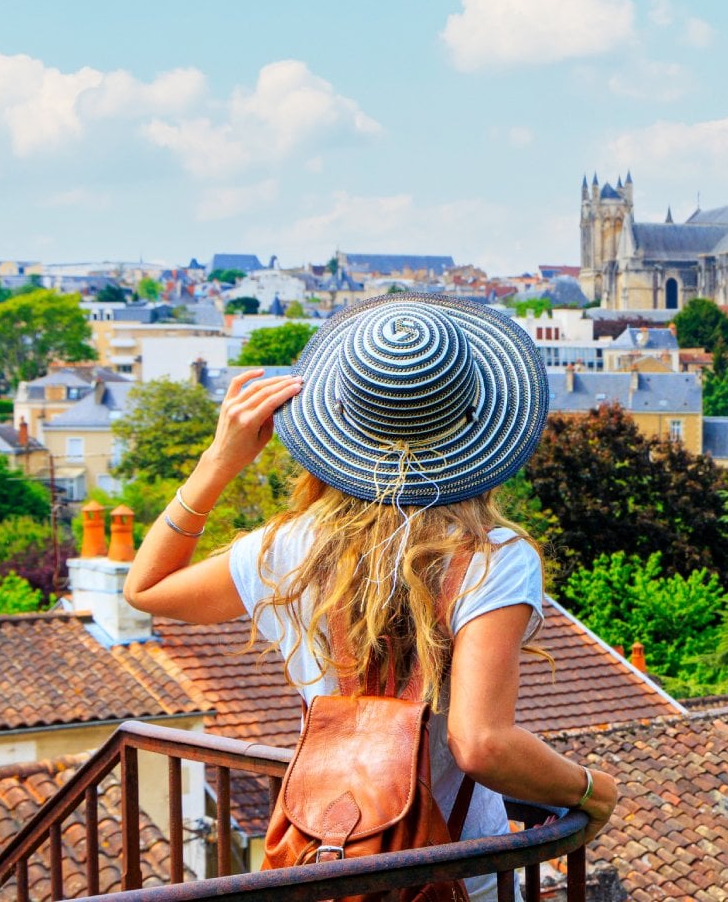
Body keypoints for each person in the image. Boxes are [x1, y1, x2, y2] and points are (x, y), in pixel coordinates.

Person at [125, 295, 617, 901]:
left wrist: (217, 462)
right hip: (458, 874)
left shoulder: (286, 548)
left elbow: (146, 589)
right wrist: (592, 790)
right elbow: (482, 744)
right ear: (476, 424)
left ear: (341, 425)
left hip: (329, 860)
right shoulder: (493, 559)